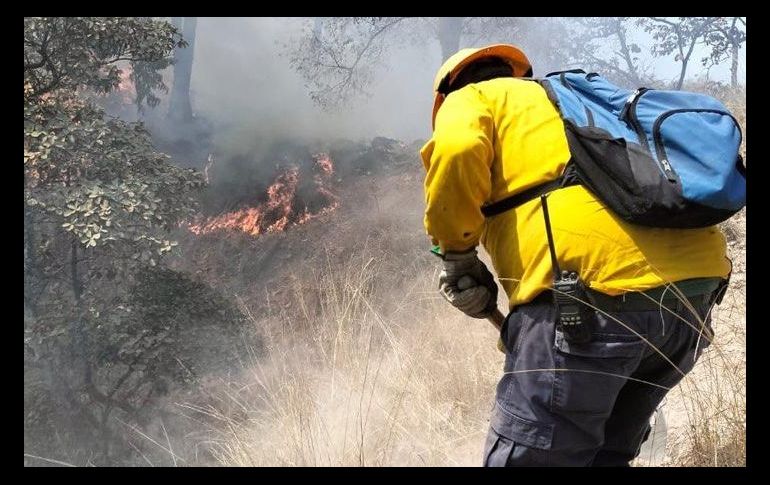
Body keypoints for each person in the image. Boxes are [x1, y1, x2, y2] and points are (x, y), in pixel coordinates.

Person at [420, 44, 731, 467]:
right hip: (694, 301)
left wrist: (456, 254)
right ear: (519, 73)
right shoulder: (576, 103)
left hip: (591, 303)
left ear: (445, 94)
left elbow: (456, 148)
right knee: (606, 456)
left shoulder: (473, 98)